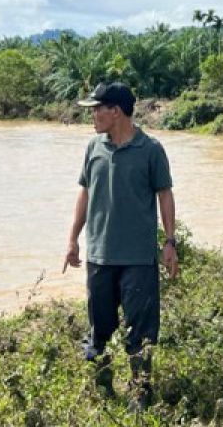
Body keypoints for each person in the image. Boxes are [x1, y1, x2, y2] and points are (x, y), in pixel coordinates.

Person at [63, 82, 178, 411]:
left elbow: (165, 195)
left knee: (140, 333)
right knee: (98, 328)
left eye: (98, 109)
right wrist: (72, 239)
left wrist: (170, 242)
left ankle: (141, 397)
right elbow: (84, 193)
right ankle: (101, 389)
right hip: (99, 255)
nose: (93, 115)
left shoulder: (151, 149)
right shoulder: (93, 148)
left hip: (139, 259)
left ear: (116, 111)